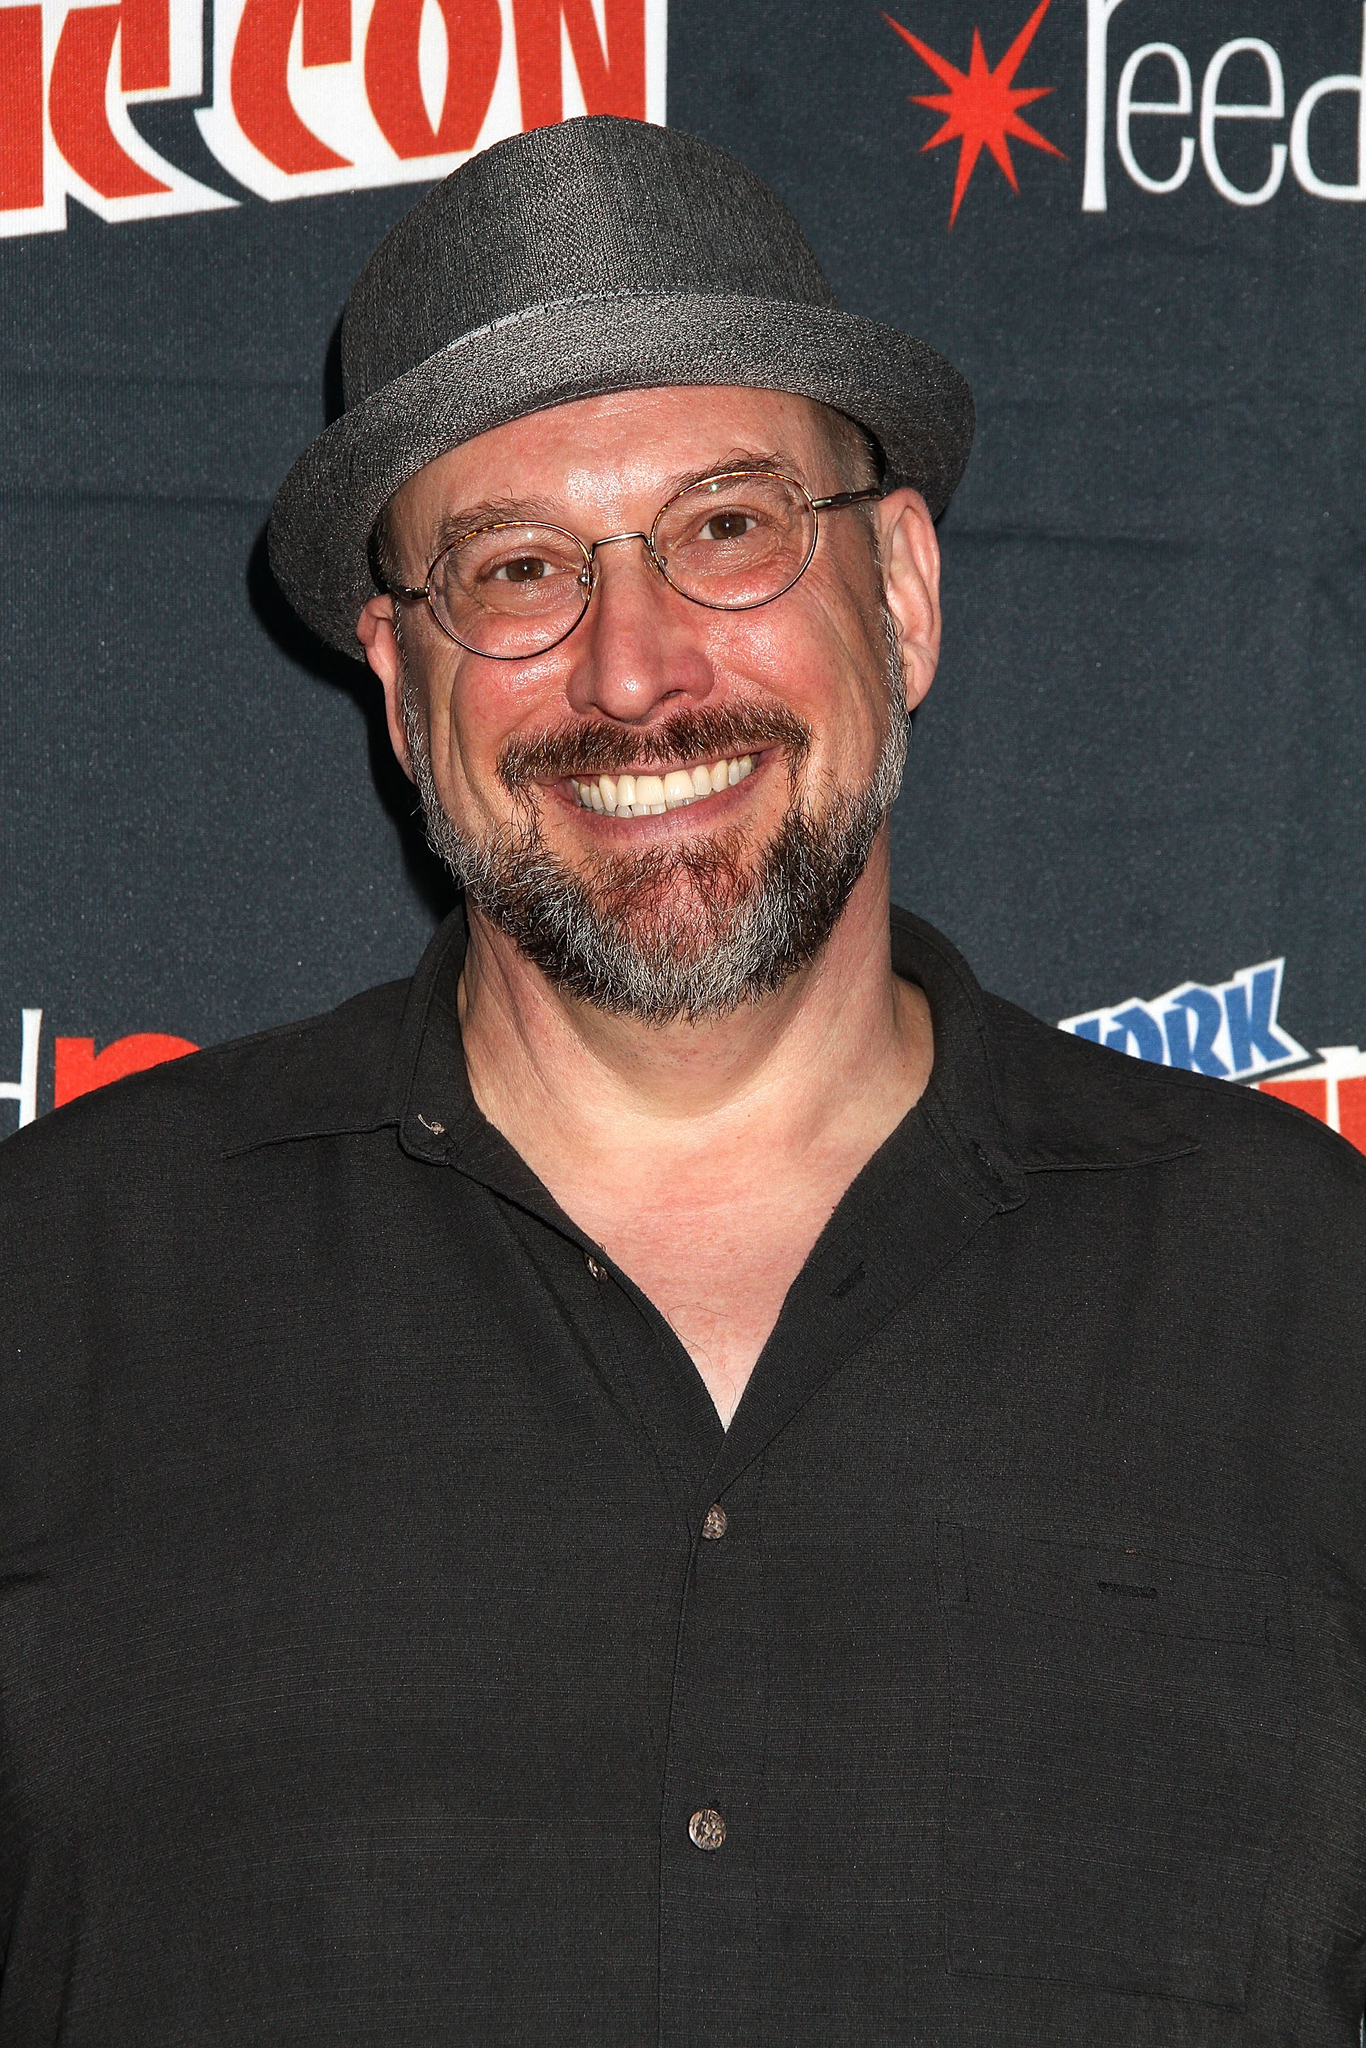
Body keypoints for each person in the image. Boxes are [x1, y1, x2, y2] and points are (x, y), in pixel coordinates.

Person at [0, 113, 1363, 2048]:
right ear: (400, 691)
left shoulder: (1311, 1298)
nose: (632, 673)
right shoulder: (57, 1293)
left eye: (728, 528)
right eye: (516, 569)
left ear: (899, 592)